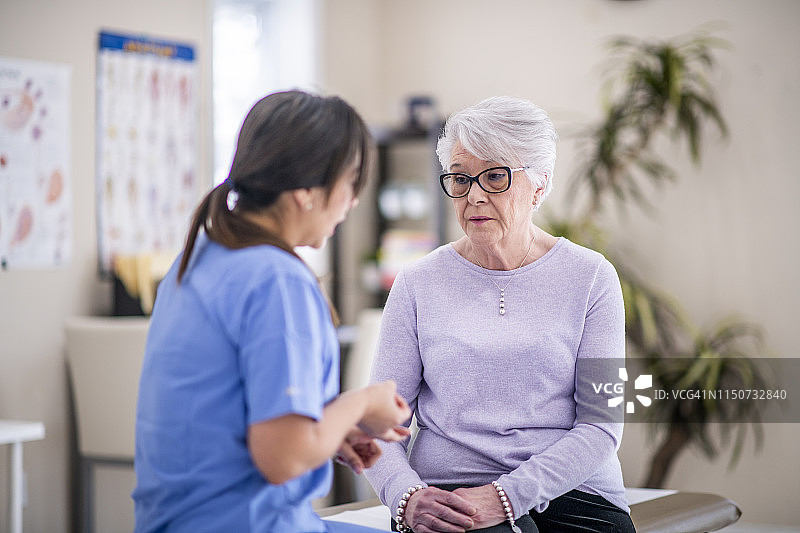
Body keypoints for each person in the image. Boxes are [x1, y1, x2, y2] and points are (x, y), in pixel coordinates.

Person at [133, 90, 411, 533]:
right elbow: (283, 459)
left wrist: (327, 432)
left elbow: (223, 421)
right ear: (305, 192)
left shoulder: (196, 260)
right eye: (350, 182)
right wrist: (359, 403)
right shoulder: (277, 280)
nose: (353, 201)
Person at [363, 96, 635, 533]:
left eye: (494, 176)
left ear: (539, 186)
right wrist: (406, 498)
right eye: (460, 178)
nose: (474, 195)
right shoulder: (417, 283)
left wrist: (505, 496)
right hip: (450, 495)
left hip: (573, 495)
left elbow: (602, 426)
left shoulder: (592, 277)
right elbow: (380, 424)